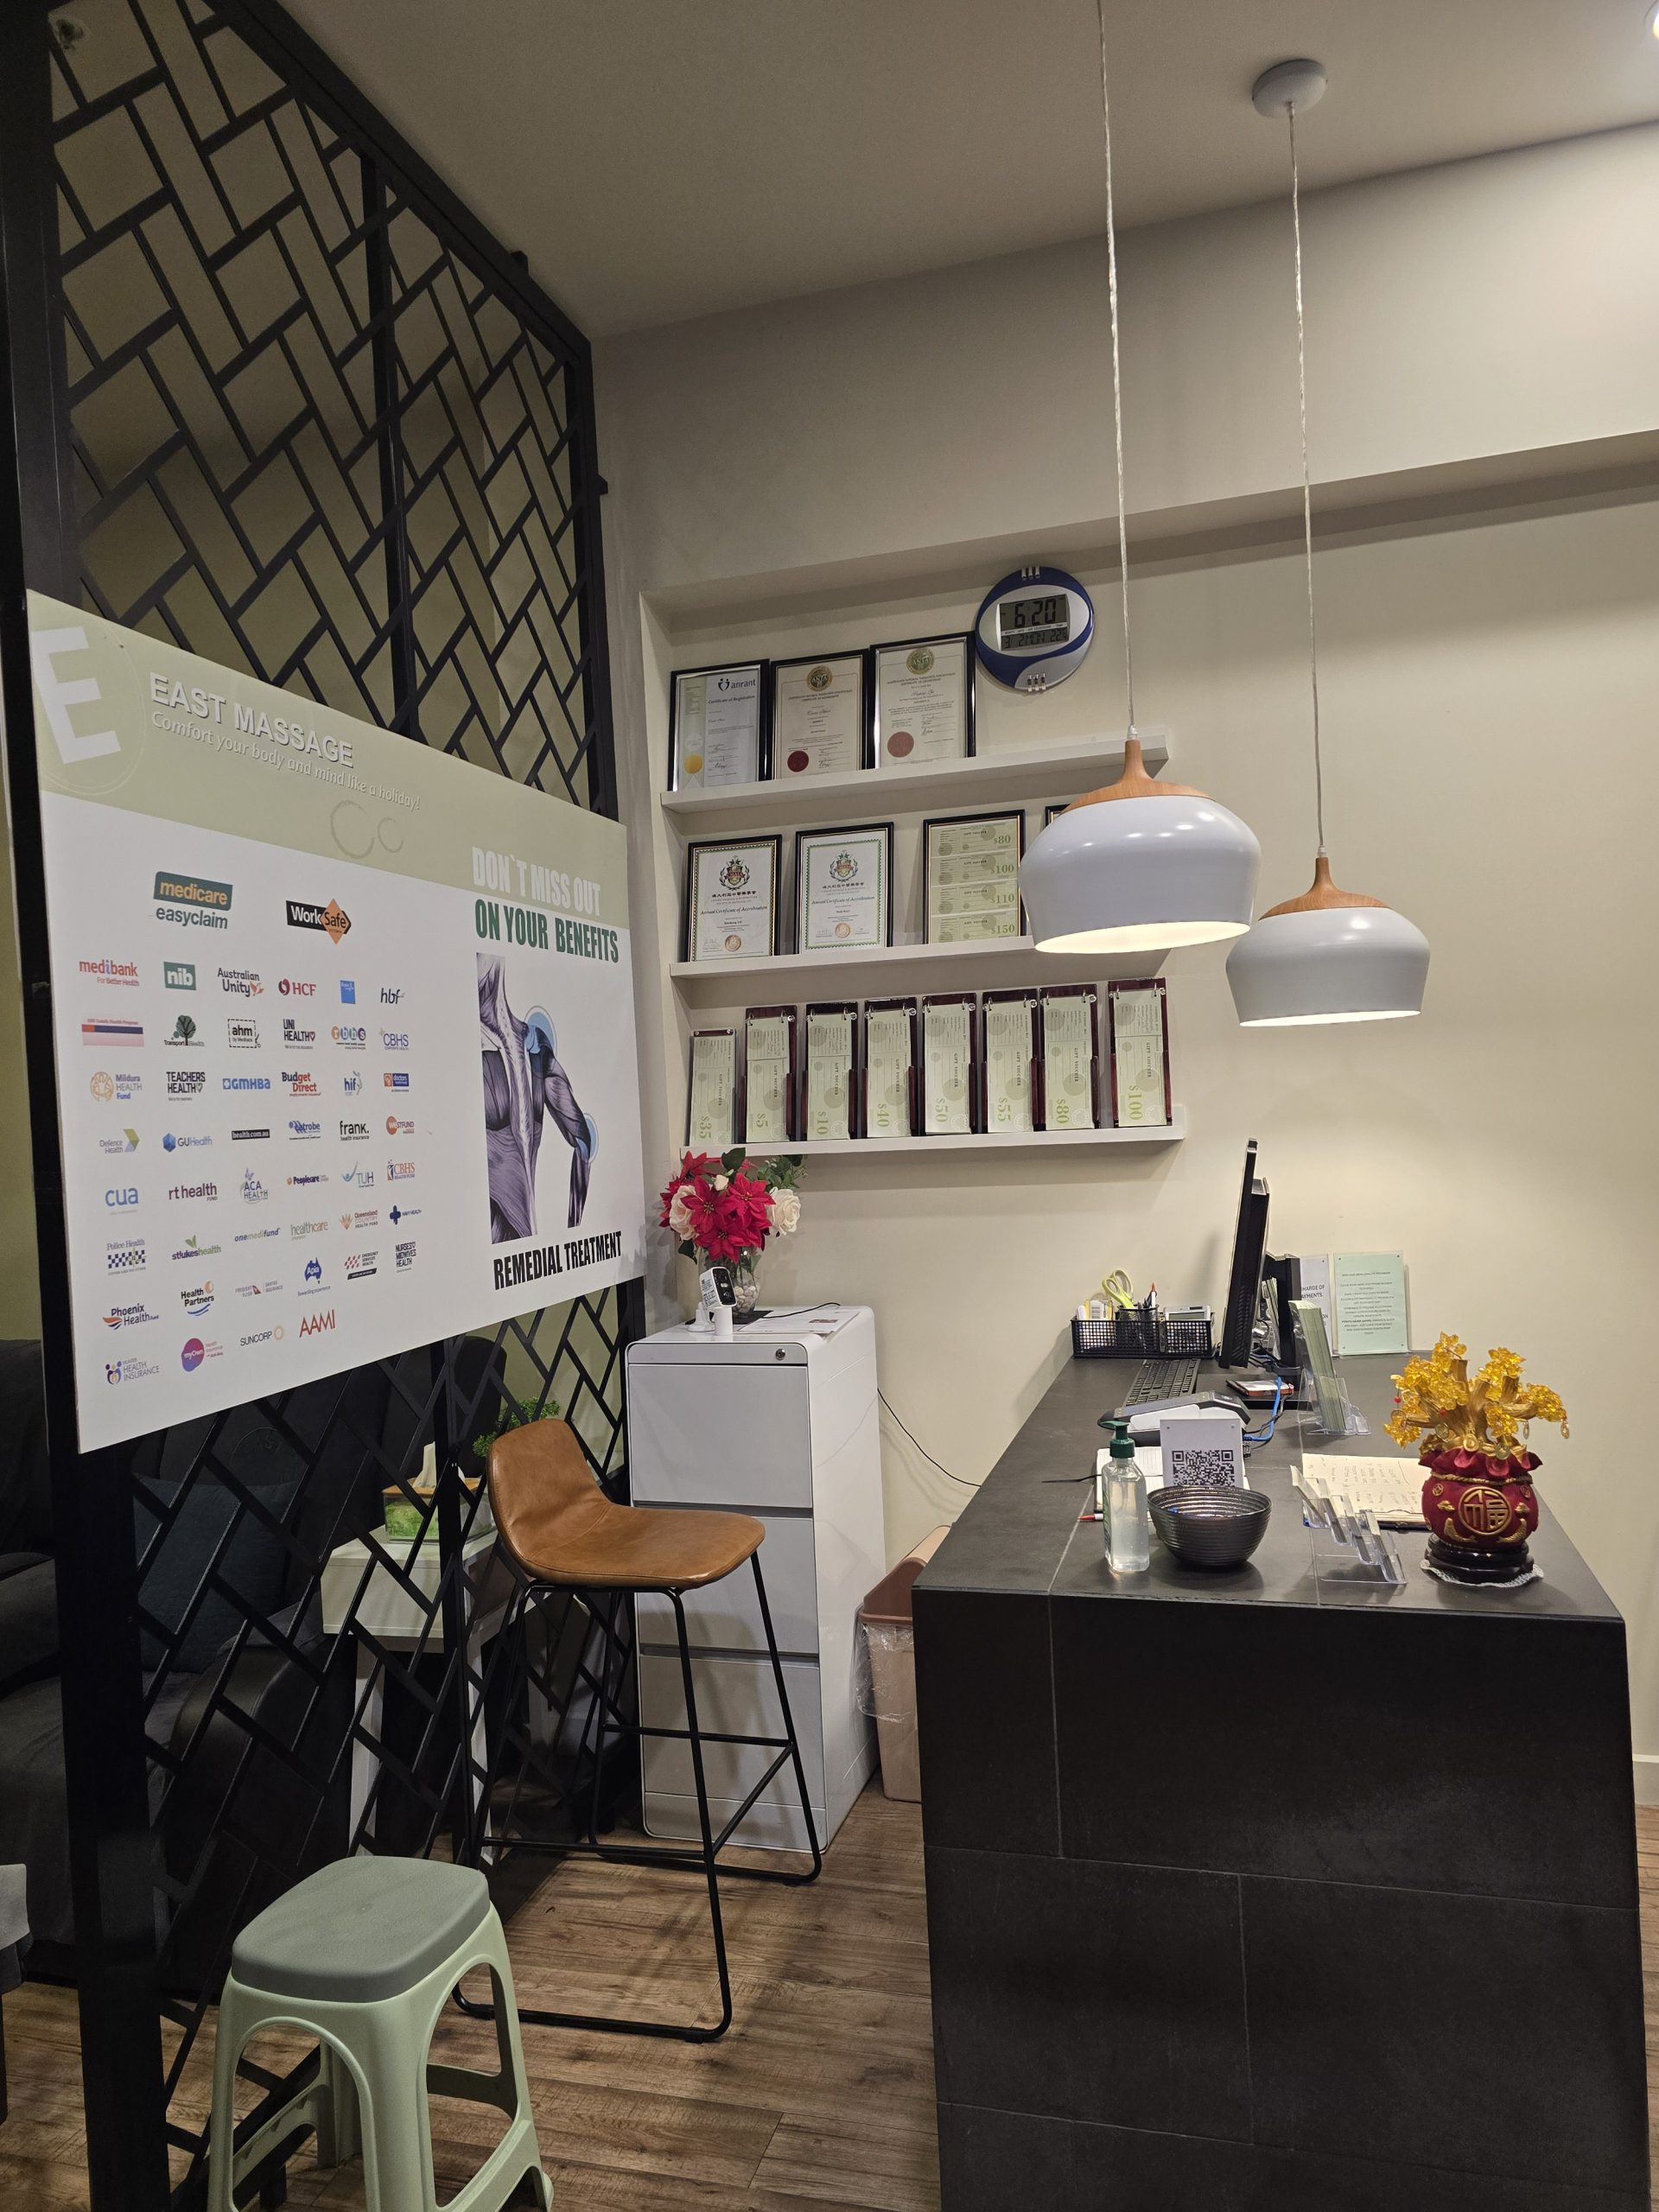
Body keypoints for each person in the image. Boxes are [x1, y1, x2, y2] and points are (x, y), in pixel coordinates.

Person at [478, 955, 594, 1241]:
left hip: (517, 1240)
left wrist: (575, 1231)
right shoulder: (531, 1044)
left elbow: (583, 1142)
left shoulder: (533, 1044)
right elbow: (584, 1142)